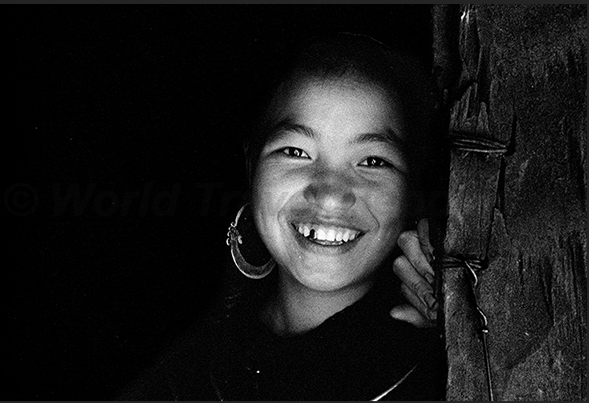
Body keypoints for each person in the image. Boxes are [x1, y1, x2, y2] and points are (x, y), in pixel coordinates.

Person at [118, 32, 444, 401]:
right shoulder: (186, 376)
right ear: (251, 167)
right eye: (295, 151)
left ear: (415, 195)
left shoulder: (446, 366)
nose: (330, 193)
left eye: (373, 161)